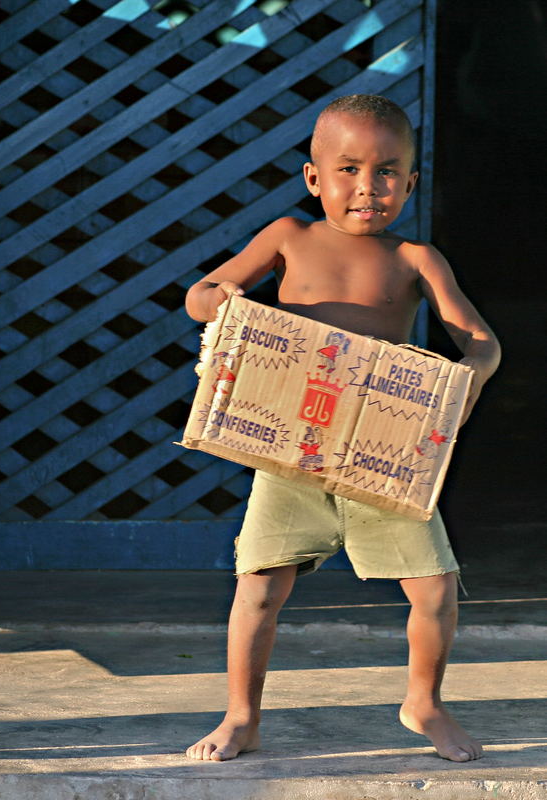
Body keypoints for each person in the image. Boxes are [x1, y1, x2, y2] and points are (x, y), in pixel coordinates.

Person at [183, 95, 501, 763]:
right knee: (260, 589)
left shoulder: (417, 259)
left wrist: (468, 373)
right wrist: (224, 301)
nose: (368, 188)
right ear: (313, 178)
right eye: (349, 169)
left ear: (411, 182)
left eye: (388, 172)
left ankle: (424, 703)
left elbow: (482, 342)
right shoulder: (287, 238)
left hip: (382, 458)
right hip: (291, 453)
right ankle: (242, 715)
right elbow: (201, 295)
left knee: (435, 588)